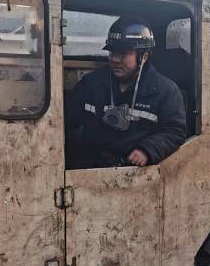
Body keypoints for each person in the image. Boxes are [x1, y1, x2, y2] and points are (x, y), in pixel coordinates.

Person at [65, 16, 187, 169]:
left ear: (144, 56)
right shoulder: (91, 84)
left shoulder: (165, 91)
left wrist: (147, 150)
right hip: (91, 168)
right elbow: (66, 118)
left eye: (124, 53)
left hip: (134, 172)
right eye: (112, 52)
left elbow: (175, 131)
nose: (115, 59)